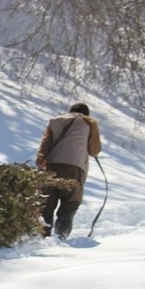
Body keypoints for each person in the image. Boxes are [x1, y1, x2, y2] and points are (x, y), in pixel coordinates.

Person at [35, 102, 102, 240]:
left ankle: (41, 236)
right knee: (70, 202)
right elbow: (94, 150)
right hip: (74, 167)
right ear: (86, 113)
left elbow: (44, 144)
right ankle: (60, 235)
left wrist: (40, 161)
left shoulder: (55, 121)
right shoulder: (89, 122)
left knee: (46, 202)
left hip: (50, 166)